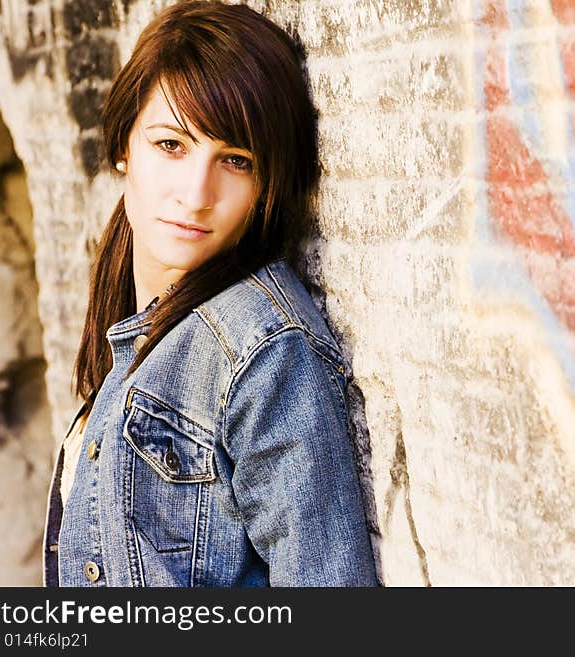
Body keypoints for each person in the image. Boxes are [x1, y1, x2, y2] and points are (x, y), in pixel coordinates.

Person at [42, 0, 379, 587]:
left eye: (236, 160)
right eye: (171, 145)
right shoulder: (137, 318)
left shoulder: (264, 349)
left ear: (267, 183)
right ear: (124, 144)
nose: (197, 193)